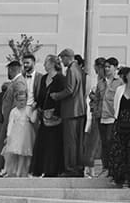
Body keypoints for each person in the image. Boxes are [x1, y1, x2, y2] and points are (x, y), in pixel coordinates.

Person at [31, 54, 66, 177]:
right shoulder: (44, 78)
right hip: (44, 115)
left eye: (46, 62)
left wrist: (55, 112)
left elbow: (62, 98)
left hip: (55, 116)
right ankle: (39, 169)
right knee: (42, 142)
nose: (44, 65)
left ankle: (52, 169)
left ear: (51, 64)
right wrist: (38, 106)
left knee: (53, 143)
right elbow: (41, 95)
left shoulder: (60, 79)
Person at [55, 47, 88, 177]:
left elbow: (69, 89)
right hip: (80, 109)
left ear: (67, 57)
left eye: (62, 59)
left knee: (70, 142)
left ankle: (70, 168)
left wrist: (56, 96)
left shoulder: (70, 70)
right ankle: (78, 167)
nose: (62, 62)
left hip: (71, 110)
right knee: (78, 142)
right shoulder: (79, 69)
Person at [1, 80, 34, 178]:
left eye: (23, 100)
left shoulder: (28, 109)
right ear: (16, 101)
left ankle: (23, 171)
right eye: (19, 100)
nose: (22, 103)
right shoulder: (14, 111)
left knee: (24, 154)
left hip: (26, 134)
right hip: (16, 134)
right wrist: (8, 136)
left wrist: (35, 110)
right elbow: (10, 124)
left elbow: (33, 119)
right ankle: (13, 171)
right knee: (14, 153)